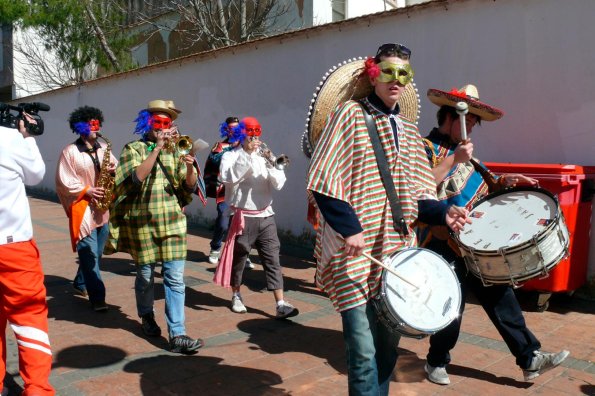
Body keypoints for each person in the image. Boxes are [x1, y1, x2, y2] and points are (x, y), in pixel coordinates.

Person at [305, 44, 469, 395]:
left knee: (385, 351)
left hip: (396, 252)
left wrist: (445, 212)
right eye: (388, 71)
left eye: (403, 73)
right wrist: (350, 229)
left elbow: (420, 193)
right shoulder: (348, 114)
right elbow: (322, 179)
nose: (396, 79)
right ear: (374, 74)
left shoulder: (408, 130)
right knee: (363, 353)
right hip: (354, 253)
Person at [420, 84, 570, 385]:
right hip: (443, 242)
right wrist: (453, 160)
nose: (472, 127)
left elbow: (486, 183)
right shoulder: (424, 148)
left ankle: (529, 359)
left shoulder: (465, 152)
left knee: (502, 299)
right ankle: (436, 361)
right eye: (469, 120)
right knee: (452, 305)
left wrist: (508, 179)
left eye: (474, 122)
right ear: (450, 117)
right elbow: (417, 186)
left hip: (478, 243)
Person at [105, 99, 203, 354]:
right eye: (157, 123)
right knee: (146, 277)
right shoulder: (134, 148)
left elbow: (188, 187)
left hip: (172, 222)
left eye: (166, 123)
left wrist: (191, 167)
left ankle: (178, 333)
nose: (162, 128)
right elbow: (133, 179)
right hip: (143, 224)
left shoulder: (177, 150)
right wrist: (157, 148)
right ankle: (146, 315)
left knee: (174, 279)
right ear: (147, 124)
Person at [214, 116, 298, 318]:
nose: (254, 138)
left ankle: (280, 303)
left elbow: (278, 184)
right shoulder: (231, 156)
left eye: (256, 134)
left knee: (272, 259)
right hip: (243, 216)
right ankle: (236, 295)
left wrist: (275, 166)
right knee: (240, 258)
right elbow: (228, 177)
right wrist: (248, 155)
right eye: (250, 134)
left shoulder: (265, 156)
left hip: (266, 215)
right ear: (242, 135)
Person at [0, 112, 55, 394]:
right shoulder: (8, 138)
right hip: (14, 246)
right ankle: (36, 388)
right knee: (29, 319)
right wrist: (28, 137)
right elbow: (36, 175)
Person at [56, 106, 118, 312]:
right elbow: (63, 181)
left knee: (96, 253)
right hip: (82, 208)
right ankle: (98, 297)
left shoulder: (103, 147)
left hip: (102, 209)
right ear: (79, 126)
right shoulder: (70, 151)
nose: (96, 128)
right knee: (89, 253)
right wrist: (87, 190)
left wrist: (112, 171)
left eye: (97, 123)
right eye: (91, 124)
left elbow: (115, 166)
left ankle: (81, 282)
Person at [203, 117, 253, 269]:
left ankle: (243, 254)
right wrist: (232, 149)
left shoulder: (246, 145)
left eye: (237, 128)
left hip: (243, 191)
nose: (234, 130)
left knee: (243, 225)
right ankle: (216, 248)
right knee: (224, 223)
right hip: (224, 191)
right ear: (226, 129)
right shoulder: (221, 145)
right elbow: (214, 159)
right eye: (231, 128)